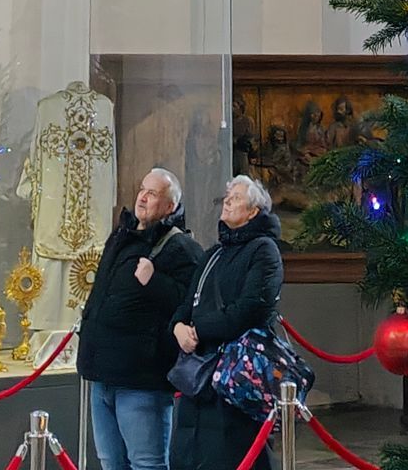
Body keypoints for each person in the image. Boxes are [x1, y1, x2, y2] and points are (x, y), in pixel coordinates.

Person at [78, 167, 202, 470]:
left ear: (170, 206)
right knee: (111, 463)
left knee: (146, 464)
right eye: (142, 189)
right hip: (102, 374)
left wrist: (154, 281)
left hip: (141, 381)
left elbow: (191, 305)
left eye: (153, 193)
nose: (143, 197)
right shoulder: (122, 236)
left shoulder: (182, 248)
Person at [168, 175, 285, 470]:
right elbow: (186, 304)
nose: (227, 201)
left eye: (236, 197)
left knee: (234, 453)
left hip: (239, 375)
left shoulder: (264, 250)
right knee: (192, 453)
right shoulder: (213, 254)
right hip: (200, 373)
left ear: (254, 211)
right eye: (227, 195)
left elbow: (250, 309)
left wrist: (199, 330)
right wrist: (179, 327)